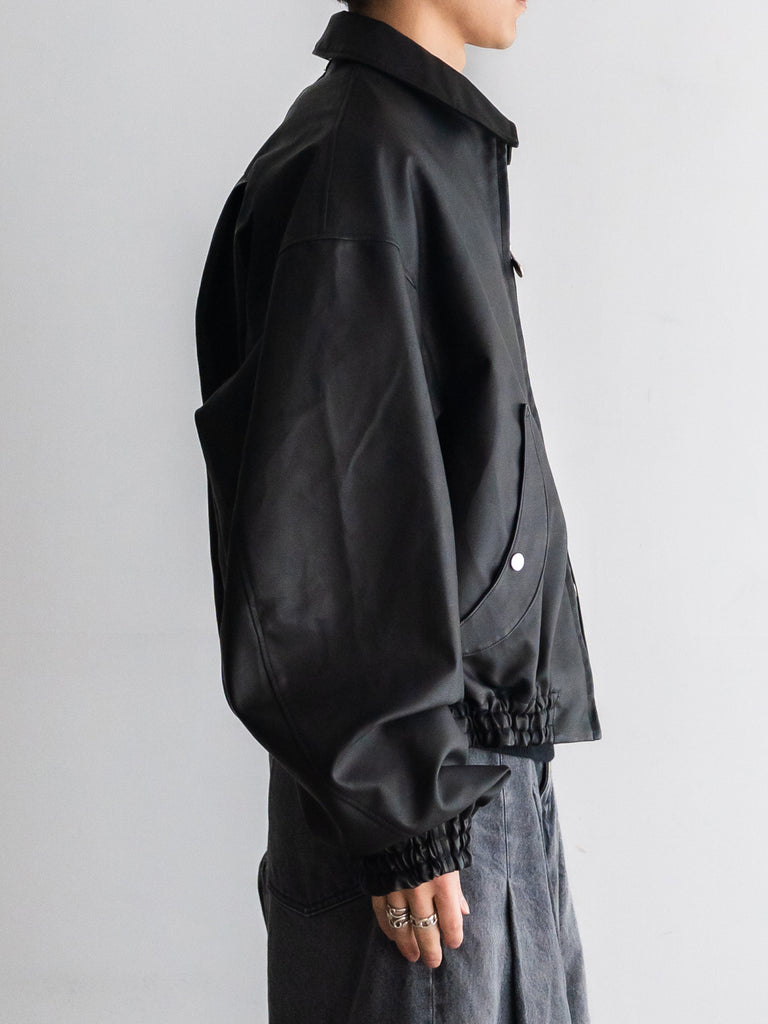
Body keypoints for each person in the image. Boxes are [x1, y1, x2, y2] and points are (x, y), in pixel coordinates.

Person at [194, 2, 602, 1020]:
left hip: (476, 775)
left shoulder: (414, 147)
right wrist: (404, 815)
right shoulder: (359, 163)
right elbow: (322, 512)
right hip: (431, 807)